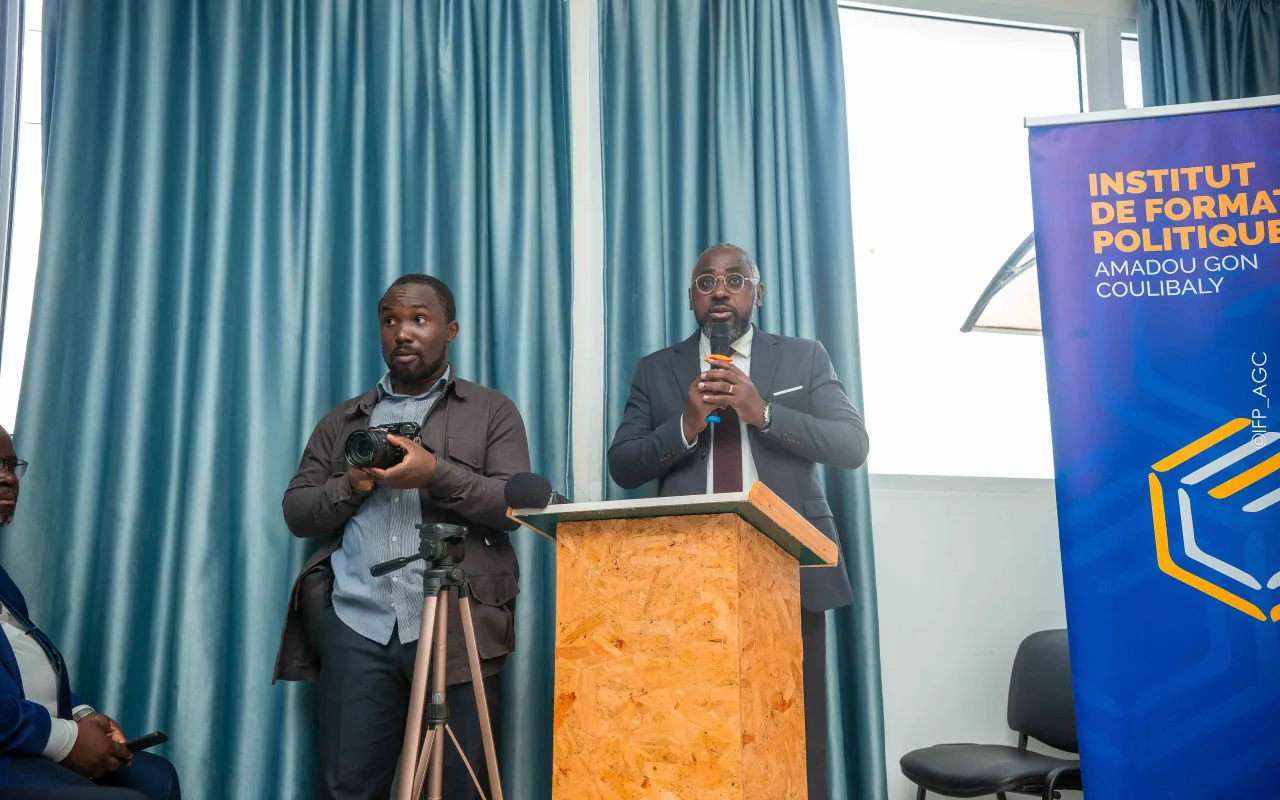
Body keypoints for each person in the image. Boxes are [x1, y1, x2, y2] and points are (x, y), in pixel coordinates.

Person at [608, 243, 870, 800]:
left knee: (793, 731)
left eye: (734, 279)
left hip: (788, 569)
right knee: (691, 731)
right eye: (707, 283)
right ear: (691, 299)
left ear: (758, 293)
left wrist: (763, 413)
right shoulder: (657, 369)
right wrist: (685, 424)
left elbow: (851, 445)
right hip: (686, 576)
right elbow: (623, 466)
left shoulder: (803, 357)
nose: (720, 291)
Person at [274, 275, 530, 800]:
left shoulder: (492, 411)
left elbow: (514, 506)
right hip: (356, 627)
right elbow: (297, 511)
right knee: (346, 789)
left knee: (459, 788)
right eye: (390, 321)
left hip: (456, 631)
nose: (403, 333)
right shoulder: (344, 419)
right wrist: (352, 483)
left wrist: (435, 473)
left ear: (450, 330)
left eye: (419, 319)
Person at [0, 425, 181, 800]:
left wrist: (80, 714)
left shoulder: (4, 583)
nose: (8, 478)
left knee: (158, 777)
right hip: (10, 750)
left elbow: (22, 668)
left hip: (30, 734)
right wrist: (67, 739)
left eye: (11, 465)